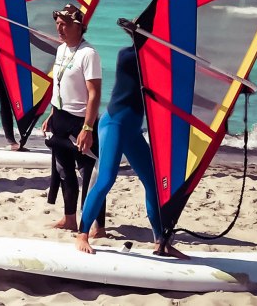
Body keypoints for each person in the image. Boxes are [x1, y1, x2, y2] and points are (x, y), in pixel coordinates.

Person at [75, 46, 186, 258]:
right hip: (114, 124)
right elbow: (155, 71)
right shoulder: (128, 55)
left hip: (133, 130)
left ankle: (160, 241)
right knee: (106, 179)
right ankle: (82, 234)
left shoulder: (157, 59)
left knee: (153, 183)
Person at [39, 3, 105, 236]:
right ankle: (69, 219)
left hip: (80, 121)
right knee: (64, 171)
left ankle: (99, 226)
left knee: (90, 174)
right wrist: (52, 113)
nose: (59, 28)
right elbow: (60, 86)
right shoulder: (62, 50)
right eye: (57, 24)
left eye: (64, 24)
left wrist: (88, 127)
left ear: (78, 27)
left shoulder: (89, 54)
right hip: (60, 117)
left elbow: (95, 93)